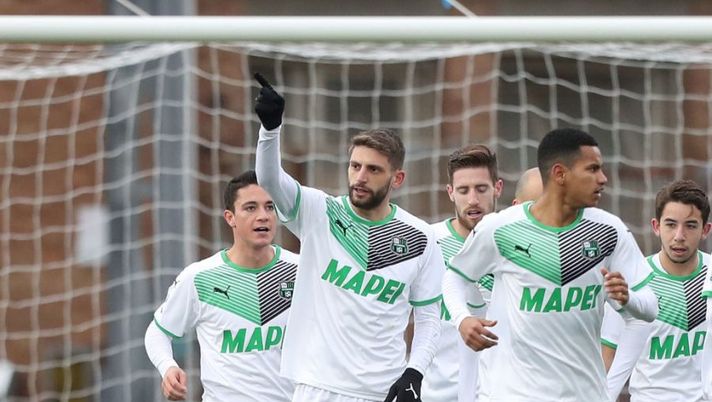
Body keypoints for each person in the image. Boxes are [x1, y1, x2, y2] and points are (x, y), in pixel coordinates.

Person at [253, 73, 443, 402]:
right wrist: (270, 130)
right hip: (318, 388)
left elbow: (428, 317)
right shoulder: (319, 212)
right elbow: (269, 179)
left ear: (397, 178)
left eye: (373, 170)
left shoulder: (420, 238)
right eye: (355, 166)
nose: (360, 177)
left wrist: (415, 372)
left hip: (382, 392)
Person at [442, 128, 658, 402]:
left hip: (586, 395)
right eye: (592, 169)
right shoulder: (501, 229)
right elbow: (454, 278)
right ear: (559, 174)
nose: (602, 179)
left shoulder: (609, 230)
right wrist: (462, 319)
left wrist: (628, 300)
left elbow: (651, 308)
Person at [144, 170, 299, 402]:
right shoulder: (199, 277)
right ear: (230, 218)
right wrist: (167, 367)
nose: (263, 216)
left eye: (269, 207)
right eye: (250, 208)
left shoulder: (302, 270)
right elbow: (157, 332)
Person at [605, 180, 711, 401]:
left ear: (705, 230)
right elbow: (607, 356)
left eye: (690, 225)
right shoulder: (632, 282)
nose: (679, 236)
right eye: (671, 224)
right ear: (656, 226)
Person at [422, 144, 502, 402]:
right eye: (463, 190)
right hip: (436, 394)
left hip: (501, 391)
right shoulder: (428, 241)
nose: (473, 200)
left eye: (481, 189)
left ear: (497, 188)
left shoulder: (514, 243)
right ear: (450, 193)